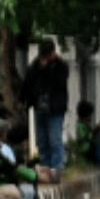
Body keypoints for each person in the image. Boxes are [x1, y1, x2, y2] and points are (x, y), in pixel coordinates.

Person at [26, 40, 71, 180]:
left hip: (55, 108)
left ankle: (56, 169)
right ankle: (45, 168)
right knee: (42, 140)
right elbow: (29, 81)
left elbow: (57, 82)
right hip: (40, 108)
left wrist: (46, 69)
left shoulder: (61, 66)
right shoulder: (35, 65)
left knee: (55, 139)